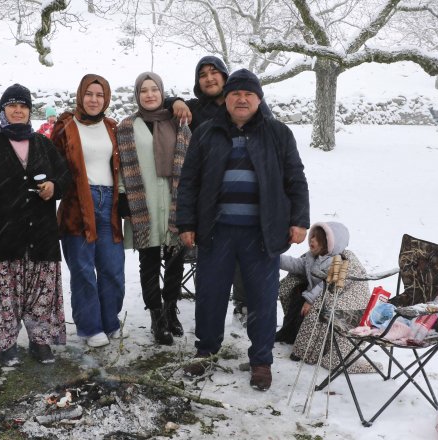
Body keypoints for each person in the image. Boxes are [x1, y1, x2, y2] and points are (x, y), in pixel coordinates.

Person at [176, 69, 310, 391]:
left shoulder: (278, 133)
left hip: (261, 233)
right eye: (235, 93)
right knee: (210, 296)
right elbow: (189, 182)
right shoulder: (207, 133)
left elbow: (296, 178)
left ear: (259, 99)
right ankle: (205, 351)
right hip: (216, 231)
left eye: (249, 94)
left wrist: (300, 220)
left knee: (262, 300)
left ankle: (261, 361)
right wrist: (186, 223)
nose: (242, 98)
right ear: (227, 99)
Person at [0, 84, 71, 367]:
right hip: (3, 232)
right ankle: (5, 344)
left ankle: (40, 341)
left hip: (41, 233)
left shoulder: (43, 144)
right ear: (3, 110)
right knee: (4, 292)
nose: (18, 110)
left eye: (23, 106)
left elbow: (65, 177)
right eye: (12, 105)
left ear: (29, 111)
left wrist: (53, 186)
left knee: (41, 290)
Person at [164, 55, 274, 323]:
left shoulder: (244, 107)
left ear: (225, 77)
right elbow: (162, 104)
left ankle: (245, 303)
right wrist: (175, 102)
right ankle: (198, 320)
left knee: (245, 255)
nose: (209, 78)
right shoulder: (195, 110)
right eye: (203, 75)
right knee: (211, 265)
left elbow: (269, 138)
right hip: (208, 198)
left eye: (214, 73)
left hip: (247, 196)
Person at [50, 74, 126, 348]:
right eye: (89, 94)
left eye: (100, 95)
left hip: (109, 205)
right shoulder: (66, 127)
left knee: (113, 269)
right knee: (83, 270)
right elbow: (51, 165)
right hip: (77, 206)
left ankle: (110, 321)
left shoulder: (112, 127)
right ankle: (89, 327)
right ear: (80, 95)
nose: (94, 100)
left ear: (106, 99)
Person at [117, 72, 191, 345]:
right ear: (137, 96)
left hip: (173, 205)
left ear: (162, 93)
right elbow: (123, 170)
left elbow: (191, 167)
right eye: (143, 91)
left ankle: (171, 310)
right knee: (148, 263)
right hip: (143, 204)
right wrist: (125, 200)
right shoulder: (127, 127)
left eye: (154, 90)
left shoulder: (179, 124)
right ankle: (156, 316)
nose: (149, 95)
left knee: (175, 262)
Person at [277, 221, 375, 373]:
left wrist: (310, 300)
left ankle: (305, 350)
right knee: (296, 303)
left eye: (317, 239)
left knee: (310, 311)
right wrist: (277, 259)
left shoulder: (335, 262)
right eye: (312, 236)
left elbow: (325, 285)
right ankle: (289, 333)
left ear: (329, 244)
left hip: (326, 299)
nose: (312, 240)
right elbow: (297, 265)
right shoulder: (311, 257)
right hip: (311, 296)